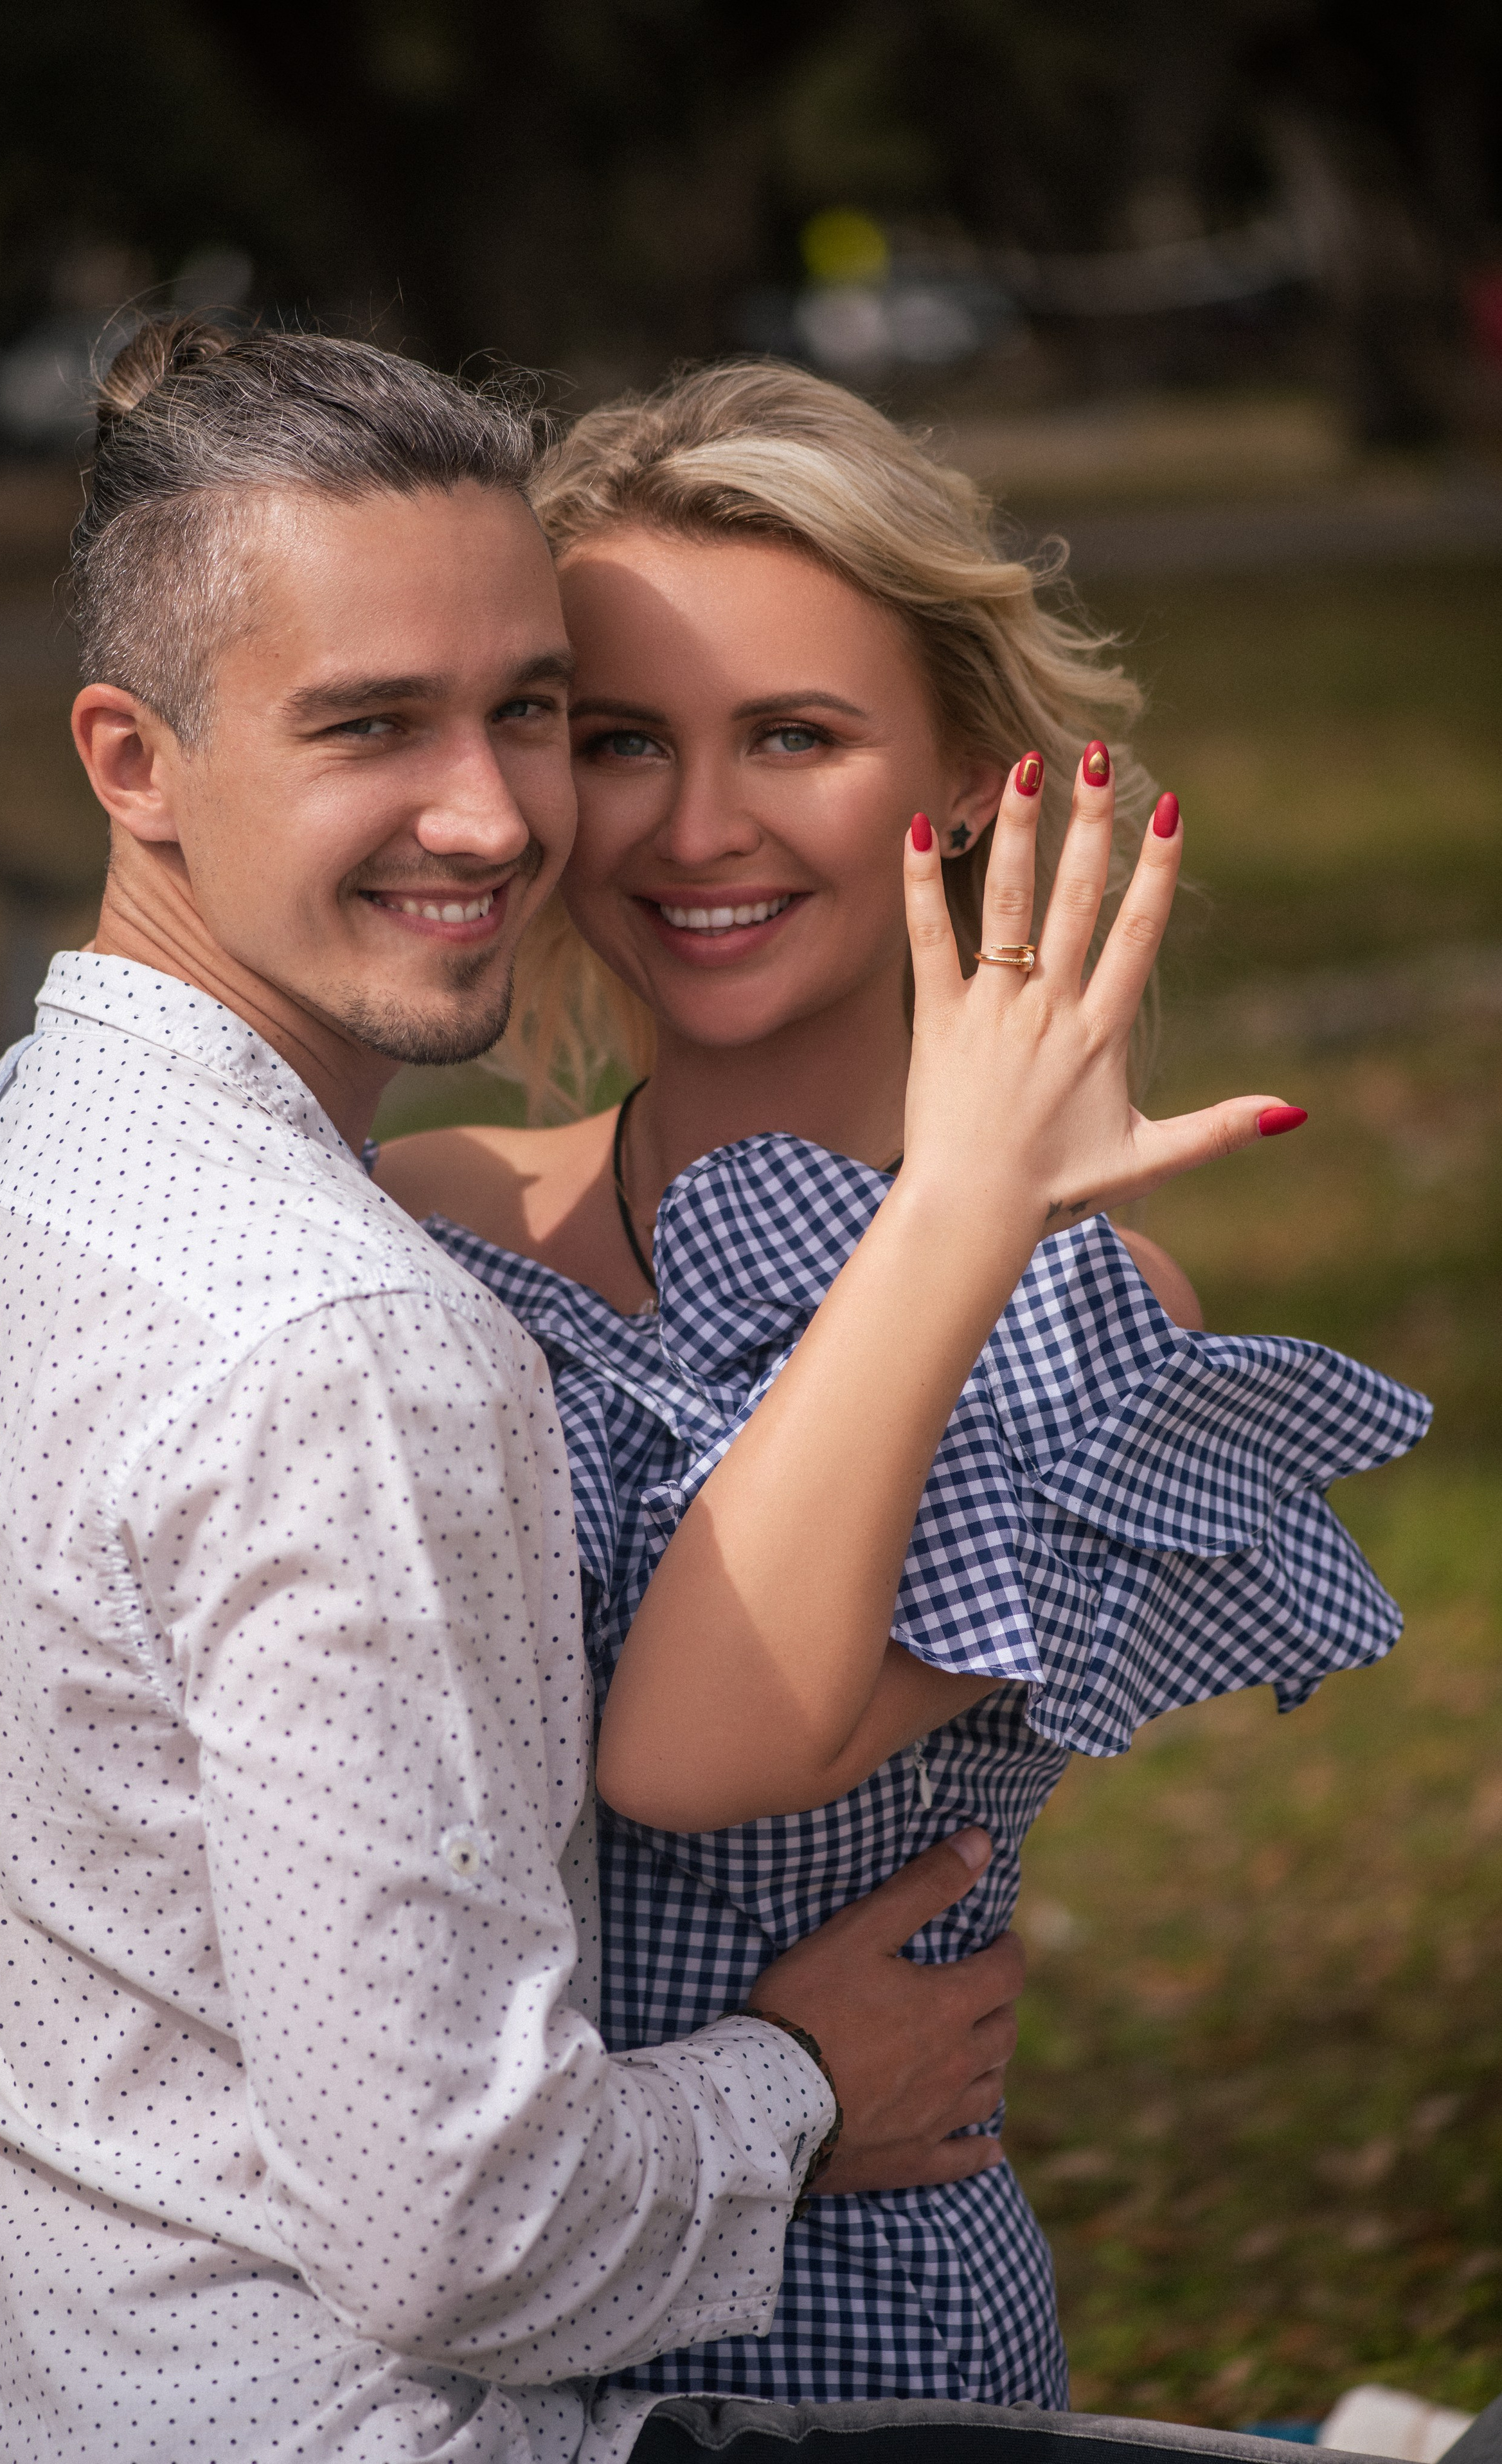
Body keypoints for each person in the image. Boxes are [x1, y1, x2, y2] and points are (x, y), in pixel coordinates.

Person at [374, 365, 1432, 2410]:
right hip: (432, 2312)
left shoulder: (1077, 1300)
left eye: (796, 735)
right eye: (620, 743)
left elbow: (697, 1752)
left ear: (957, 773)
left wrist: (956, 1207)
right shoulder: (428, 1208)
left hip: (826, 2327)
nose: (697, 826)